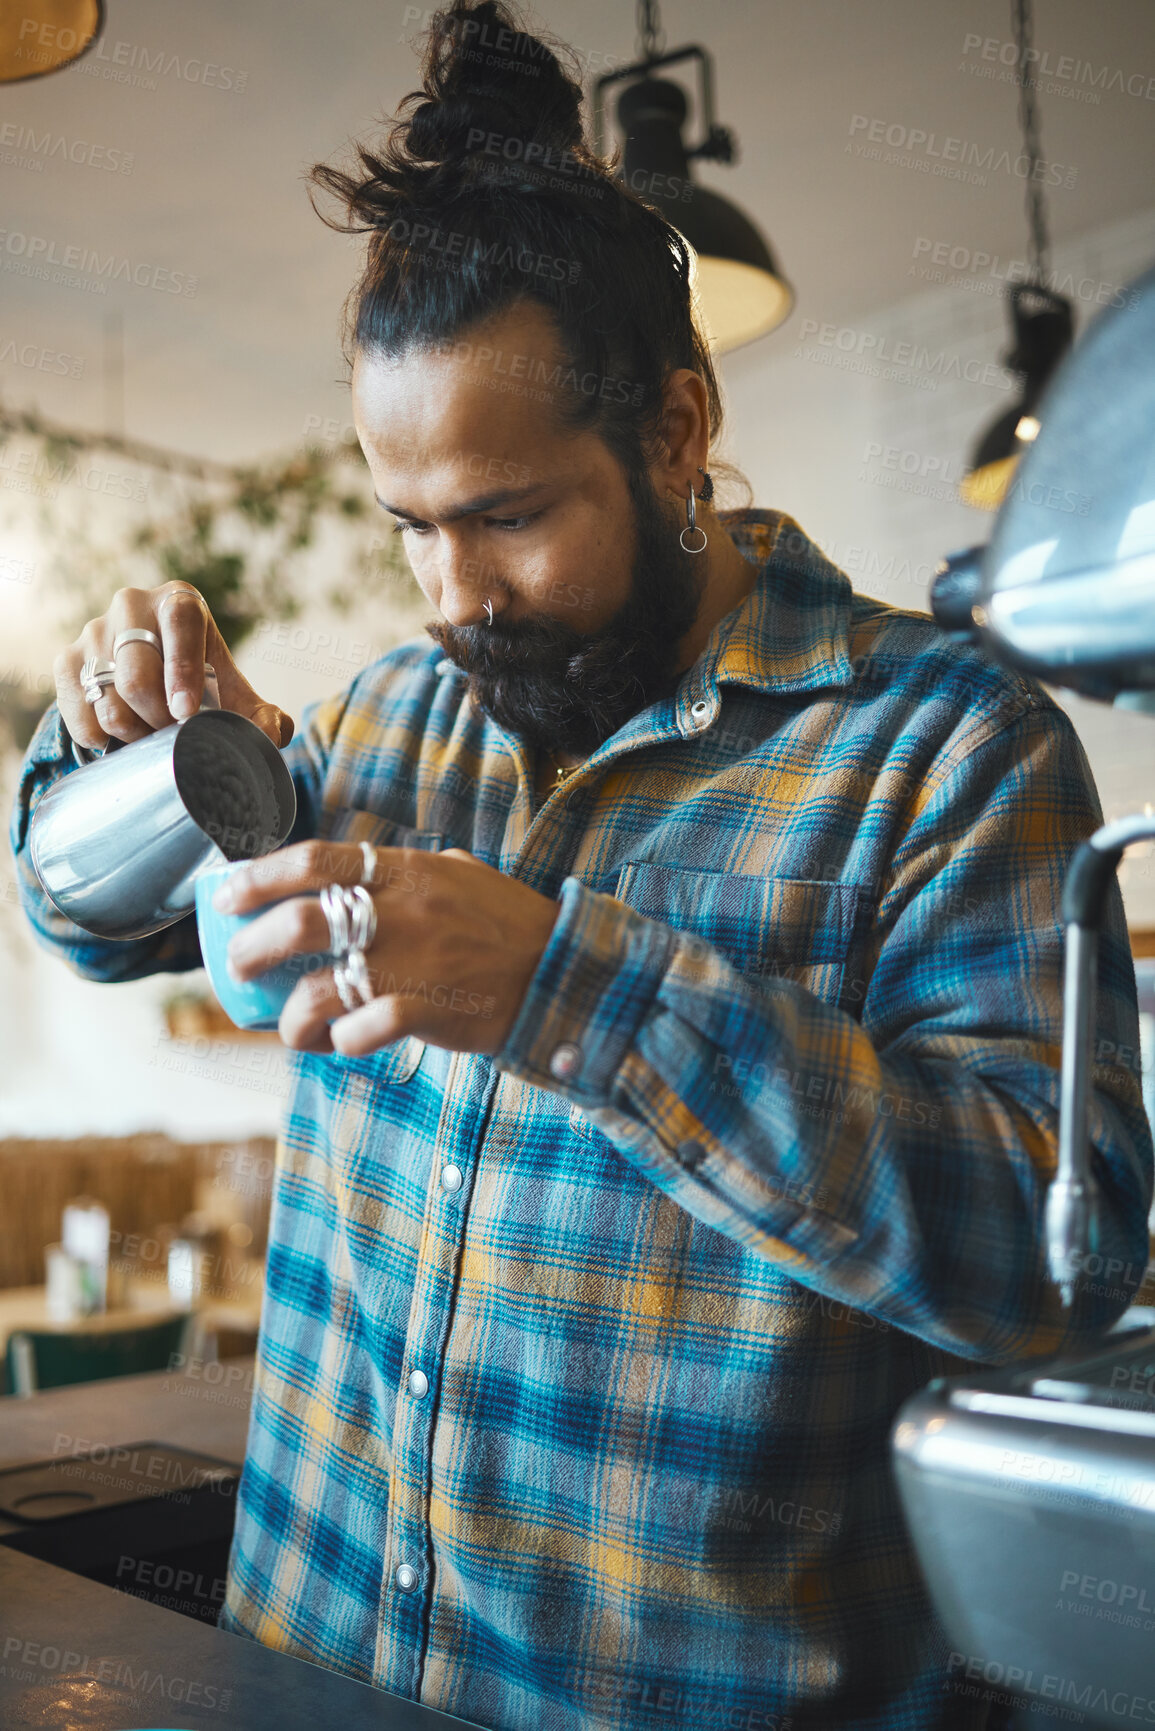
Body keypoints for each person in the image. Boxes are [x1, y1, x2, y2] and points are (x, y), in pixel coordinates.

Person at [10, 4, 1153, 1727]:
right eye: (410, 527)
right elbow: (81, 927)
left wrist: (576, 991)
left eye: (511, 514)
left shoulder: (948, 747)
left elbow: (1042, 1269)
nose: (452, 596)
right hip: (306, 1663)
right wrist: (128, 747)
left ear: (677, 431)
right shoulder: (395, 716)